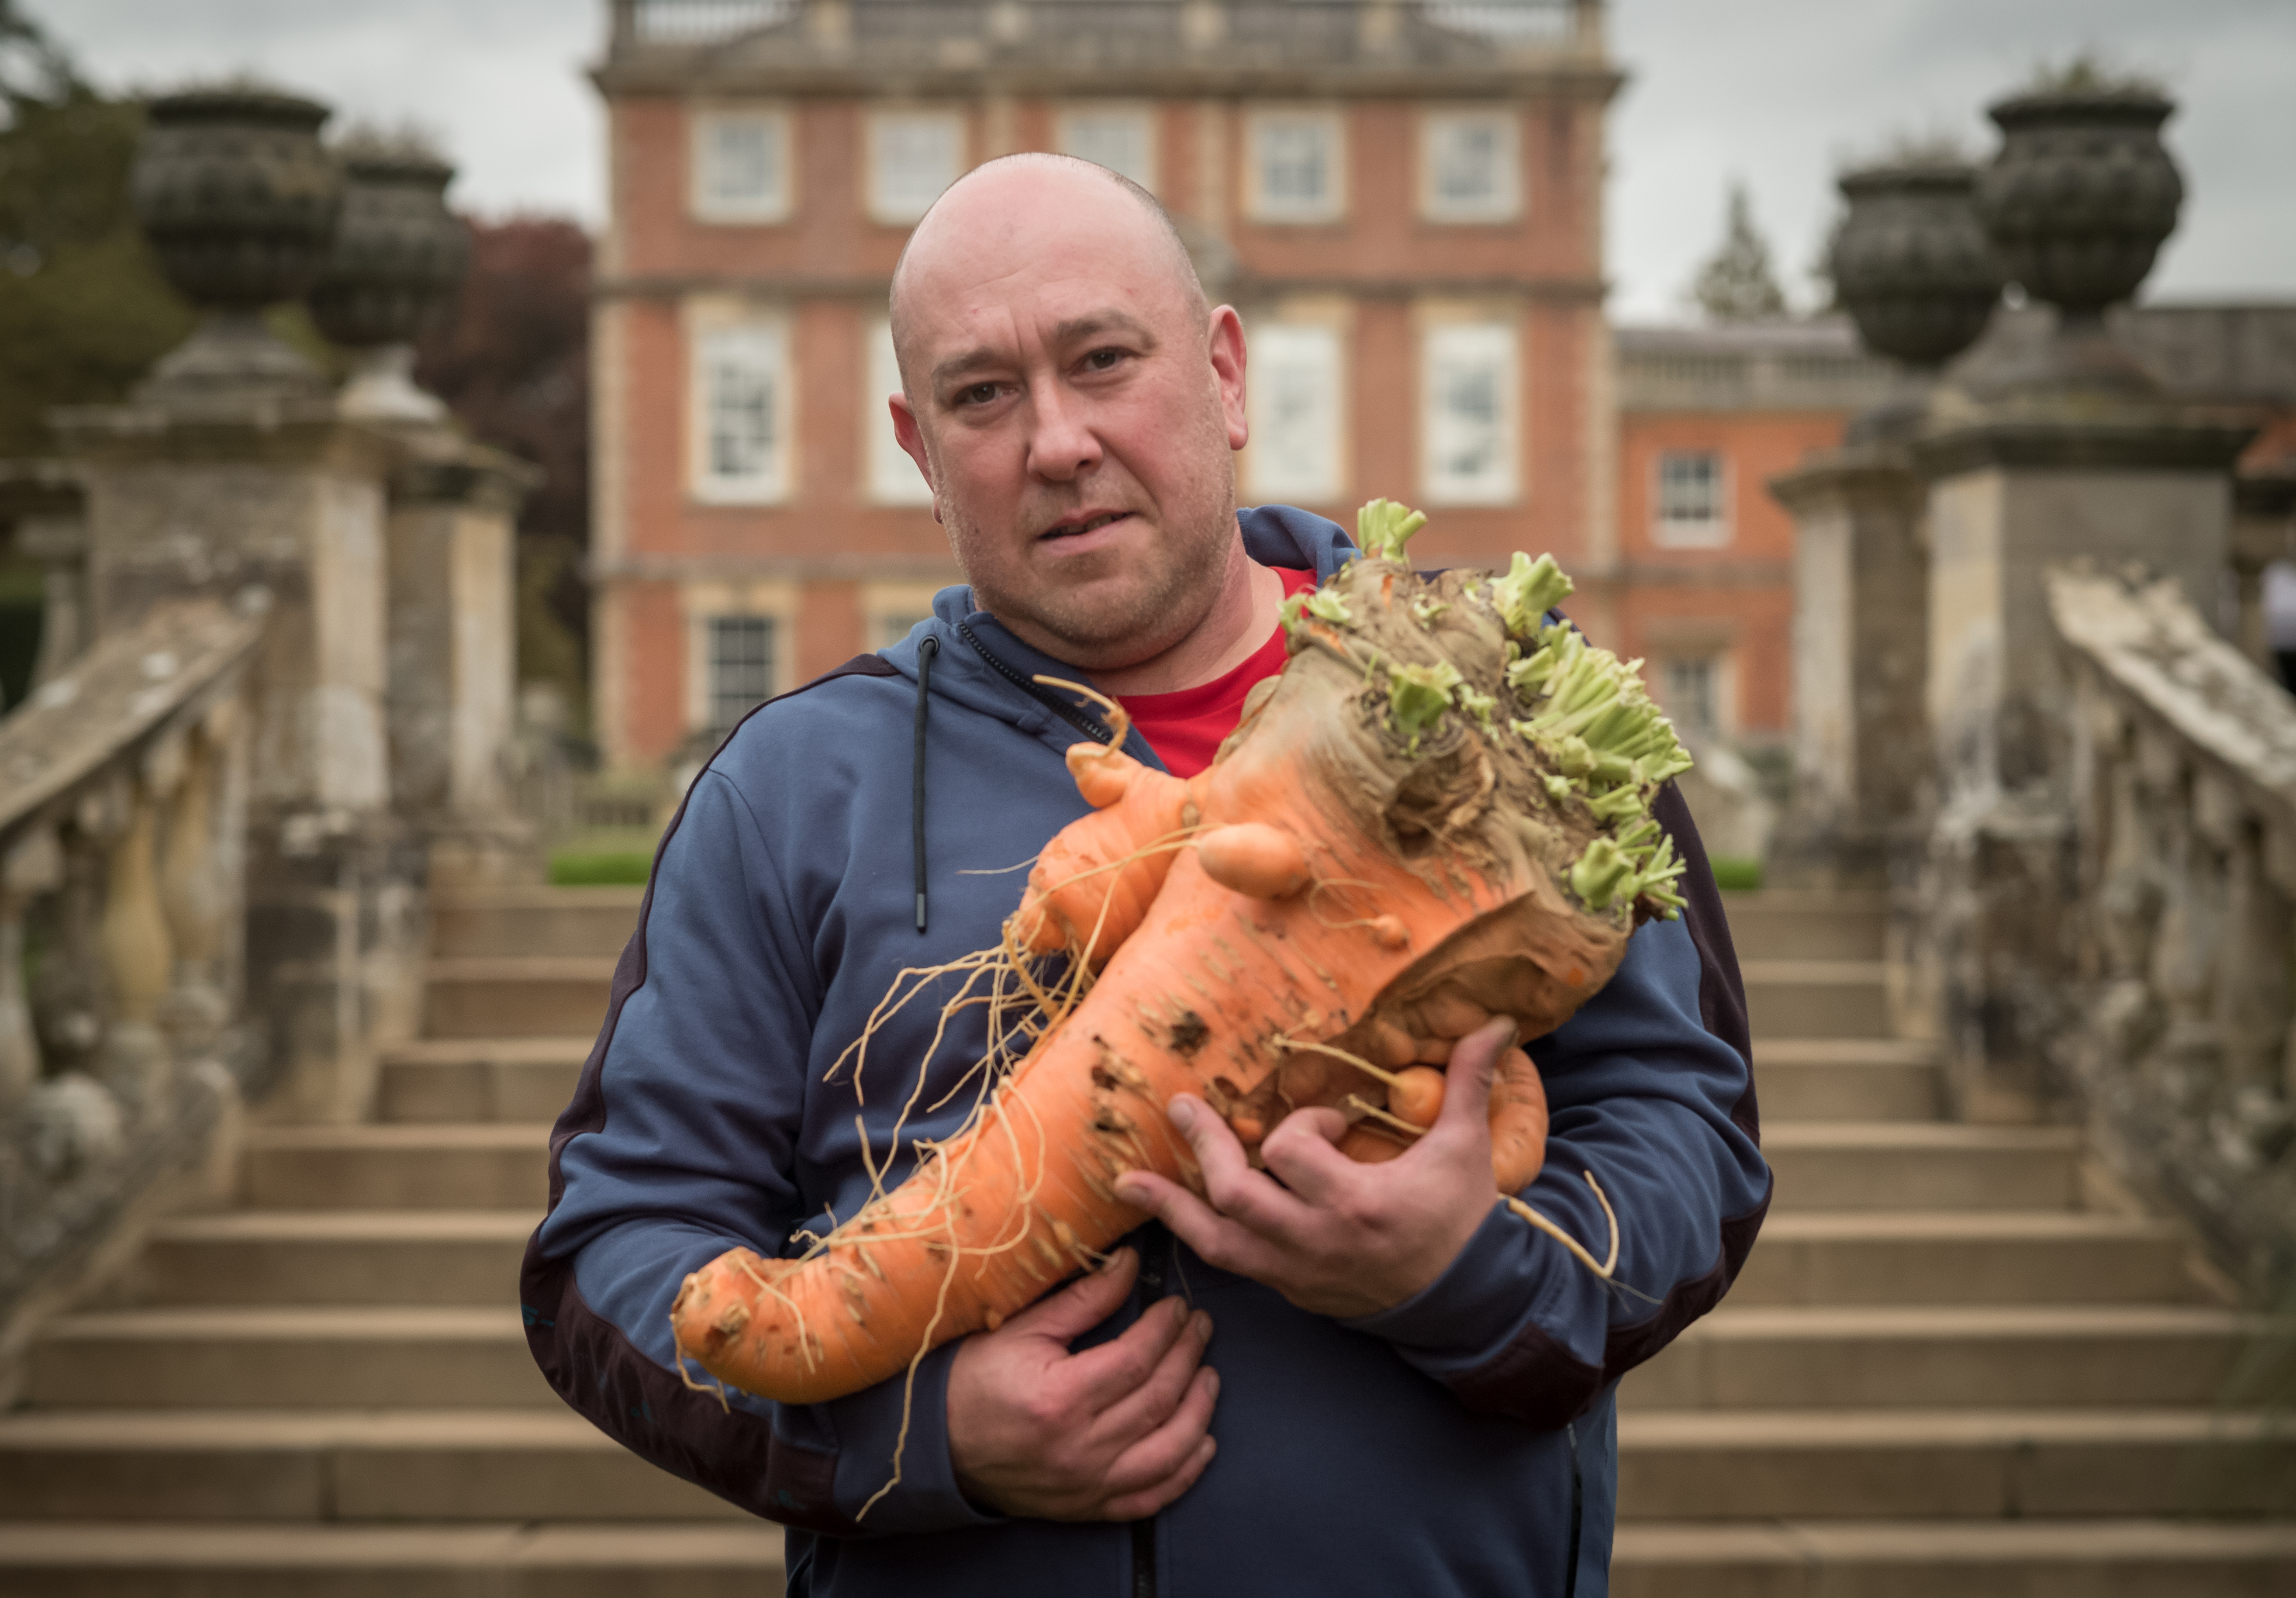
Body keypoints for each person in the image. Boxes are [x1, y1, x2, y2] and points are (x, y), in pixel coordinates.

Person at [523, 153, 1771, 1598]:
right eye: (980, 395)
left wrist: (1461, 1267)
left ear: (1225, 376)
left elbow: (1692, 1143)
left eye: (1102, 360)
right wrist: (921, 1433)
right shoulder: (791, 789)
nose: (1055, 440)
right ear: (919, 451)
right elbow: (607, 1262)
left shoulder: (1508, 716)